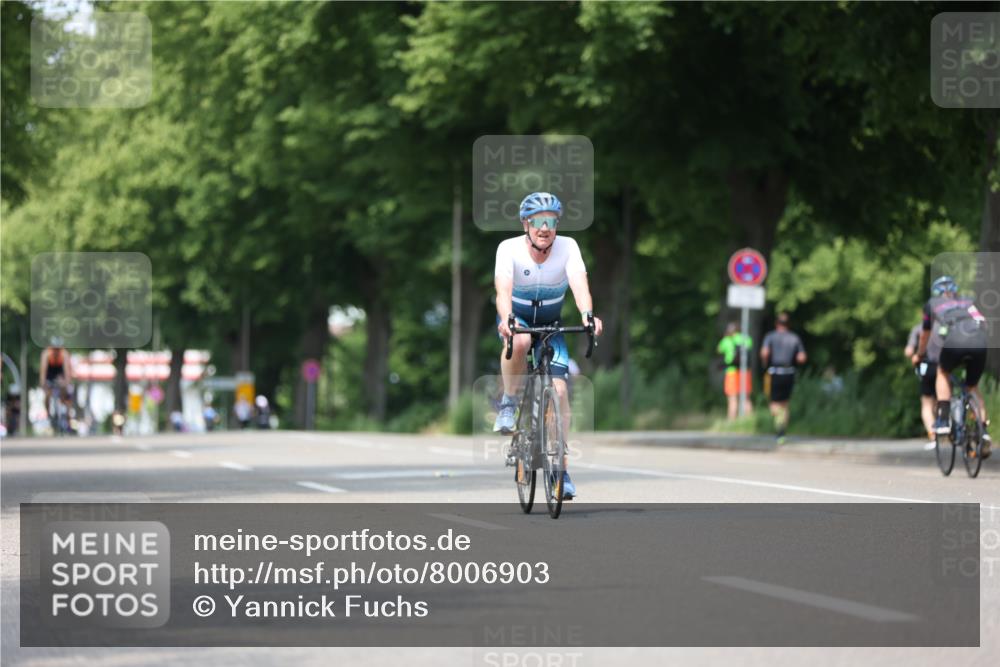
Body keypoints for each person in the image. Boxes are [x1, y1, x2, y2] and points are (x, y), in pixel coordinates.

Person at [494, 192, 603, 500]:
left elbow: (579, 282)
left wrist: (587, 315)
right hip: (518, 320)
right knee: (521, 339)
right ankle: (509, 402)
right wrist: (507, 319)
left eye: (551, 222)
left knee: (560, 392)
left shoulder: (568, 247)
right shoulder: (509, 249)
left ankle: (561, 472)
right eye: (538, 222)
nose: (545, 228)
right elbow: (503, 291)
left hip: (552, 326)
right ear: (526, 224)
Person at [914, 276, 991, 458]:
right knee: (972, 387)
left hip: (955, 340)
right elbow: (984, 323)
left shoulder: (932, 304)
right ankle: (983, 430)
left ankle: (943, 420)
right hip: (979, 341)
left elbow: (925, 334)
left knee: (942, 371)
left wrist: (919, 354)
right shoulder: (967, 301)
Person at [760, 313, 807, 443]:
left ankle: (779, 426)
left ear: (777, 324)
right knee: (785, 404)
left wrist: (764, 364)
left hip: (774, 372)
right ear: (788, 324)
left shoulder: (770, 336)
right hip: (789, 373)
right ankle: (782, 433)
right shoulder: (794, 338)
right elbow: (802, 357)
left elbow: (764, 352)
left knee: (774, 403)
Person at [904, 317, 941, 444]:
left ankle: (933, 435)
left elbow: (908, 351)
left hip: (927, 366)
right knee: (941, 399)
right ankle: (945, 424)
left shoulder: (918, 328)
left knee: (926, 403)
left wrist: (915, 355)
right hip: (945, 366)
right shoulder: (944, 327)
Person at [716, 322, 753, 420]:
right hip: (745, 371)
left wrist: (725, 337)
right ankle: (748, 420)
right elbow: (750, 347)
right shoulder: (746, 338)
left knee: (732, 398)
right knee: (746, 398)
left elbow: (719, 350)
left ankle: (732, 421)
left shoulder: (726, 339)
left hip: (731, 371)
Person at [39, 337, 73, 423]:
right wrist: (43, 383)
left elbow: (67, 372)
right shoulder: (46, 354)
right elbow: (43, 371)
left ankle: (67, 415)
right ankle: (48, 413)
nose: (56, 351)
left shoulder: (64, 354)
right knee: (47, 394)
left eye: (58, 349)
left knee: (65, 392)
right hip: (49, 373)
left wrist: (66, 383)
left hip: (59, 372)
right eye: (54, 349)